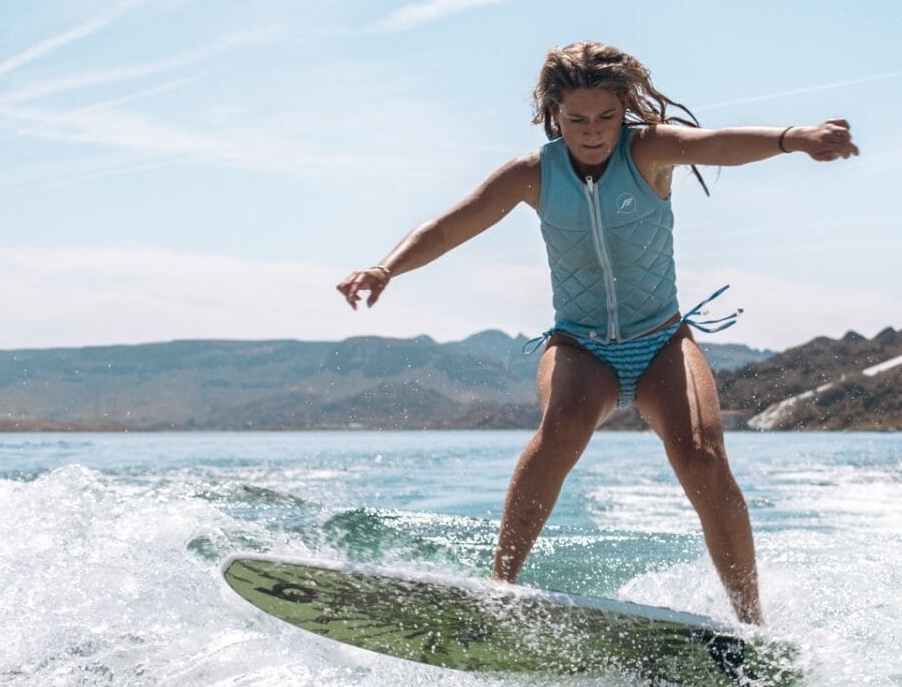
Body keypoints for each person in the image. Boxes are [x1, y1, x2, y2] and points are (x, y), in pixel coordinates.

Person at [337, 42, 858, 625]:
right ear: (553, 112)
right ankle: (497, 593)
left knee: (704, 457)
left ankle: (751, 625)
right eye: (577, 119)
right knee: (559, 431)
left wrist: (797, 138)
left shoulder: (650, 150)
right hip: (581, 347)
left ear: (626, 108)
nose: (592, 132)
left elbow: (720, 144)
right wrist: (386, 267)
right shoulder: (531, 175)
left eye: (606, 117)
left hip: (662, 341)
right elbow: (450, 225)